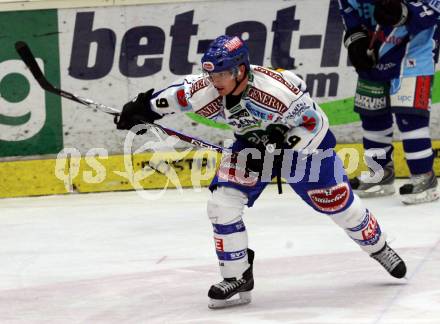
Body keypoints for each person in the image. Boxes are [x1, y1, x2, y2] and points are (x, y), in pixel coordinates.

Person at [115, 35, 407, 309]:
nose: (214, 82)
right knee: (222, 203)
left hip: (306, 149)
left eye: (221, 75)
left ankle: (378, 247)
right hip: (251, 147)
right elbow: (177, 96)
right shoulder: (207, 89)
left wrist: (282, 150)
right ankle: (237, 275)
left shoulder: (276, 91)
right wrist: (142, 109)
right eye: (211, 75)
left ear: (240, 70)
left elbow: (314, 123)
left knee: (339, 207)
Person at [339, 0, 440, 204]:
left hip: (415, 55)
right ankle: (380, 174)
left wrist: (407, 13)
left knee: (410, 119)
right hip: (374, 53)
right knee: (372, 116)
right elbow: (349, 12)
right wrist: (355, 39)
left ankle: (424, 178)